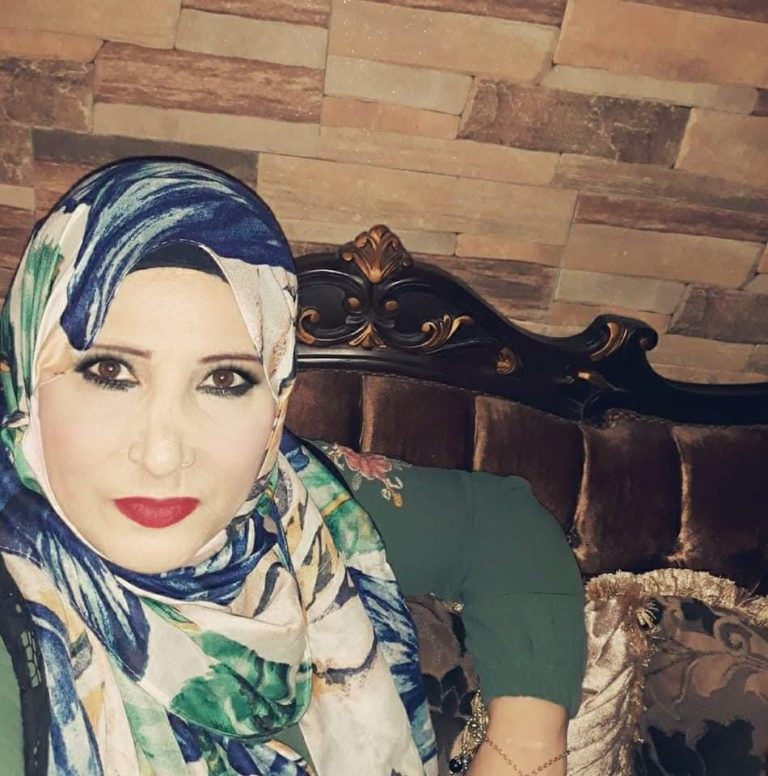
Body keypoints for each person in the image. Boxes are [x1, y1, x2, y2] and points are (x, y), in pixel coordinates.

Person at [0, 159, 585, 775]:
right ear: (28, 381)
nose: (163, 455)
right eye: (111, 372)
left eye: (224, 380)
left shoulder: (297, 504)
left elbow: (500, 524)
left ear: (276, 403)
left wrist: (526, 744)